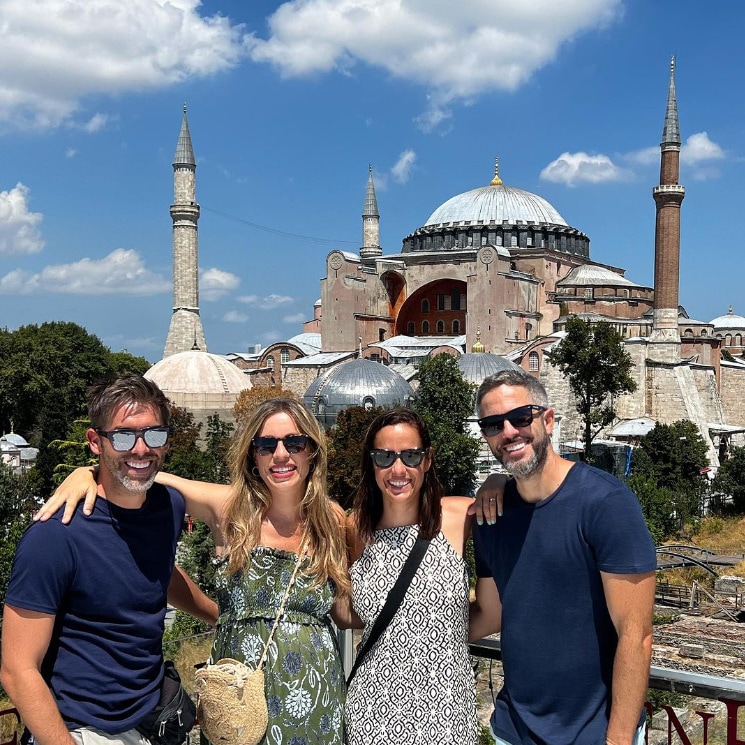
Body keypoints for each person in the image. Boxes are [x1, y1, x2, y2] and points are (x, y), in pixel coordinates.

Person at [39, 397, 353, 745]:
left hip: (317, 697)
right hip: (238, 703)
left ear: (313, 451)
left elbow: (344, 608)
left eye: (295, 442)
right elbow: (141, 474)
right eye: (266, 445)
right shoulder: (229, 508)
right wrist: (87, 473)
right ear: (253, 455)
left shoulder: (333, 520)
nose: (281, 455)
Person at [1, 375, 218, 745]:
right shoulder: (56, 536)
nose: (140, 449)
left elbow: (156, 572)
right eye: (122, 436)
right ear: (95, 442)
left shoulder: (167, 507)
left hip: (150, 721)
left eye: (153, 435)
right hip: (81, 730)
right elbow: (16, 670)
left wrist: (219, 615)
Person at [468, 369, 657, 745]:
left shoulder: (605, 503)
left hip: (593, 733)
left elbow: (635, 635)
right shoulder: (491, 515)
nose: (508, 432)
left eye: (521, 418)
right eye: (493, 425)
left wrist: (618, 739)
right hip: (513, 730)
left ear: (548, 420)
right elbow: (491, 613)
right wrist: (410, 633)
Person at [345, 408, 477, 745]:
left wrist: (497, 481)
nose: (398, 469)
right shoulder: (356, 529)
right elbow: (347, 612)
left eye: (411, 455)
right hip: (371, 719)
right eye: (384, 456)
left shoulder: (460, 516)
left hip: (447, 720)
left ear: (428, 460)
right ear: (370, 462)